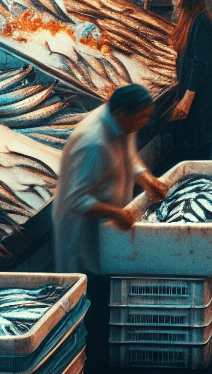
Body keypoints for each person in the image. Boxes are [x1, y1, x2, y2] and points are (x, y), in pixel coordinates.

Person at [55, 84, 168, 355]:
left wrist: (145, 177)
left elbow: (128, 154)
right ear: (120, 112)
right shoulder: (92, 141)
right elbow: (75, 200)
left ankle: (105, 345)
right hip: (82, 230)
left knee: (106, 286)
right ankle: (88, 360)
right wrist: (116, 213)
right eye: (141, 118)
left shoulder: (120, 123)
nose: (145, 123)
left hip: (108, 225)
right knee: (87, 294)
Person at [154, 0, 212, 167]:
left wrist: (186, 101)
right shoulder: (190, 20)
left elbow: (200, 64)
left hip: (198, 101)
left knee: (196, 154)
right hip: (192, 96)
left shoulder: (200, 22)